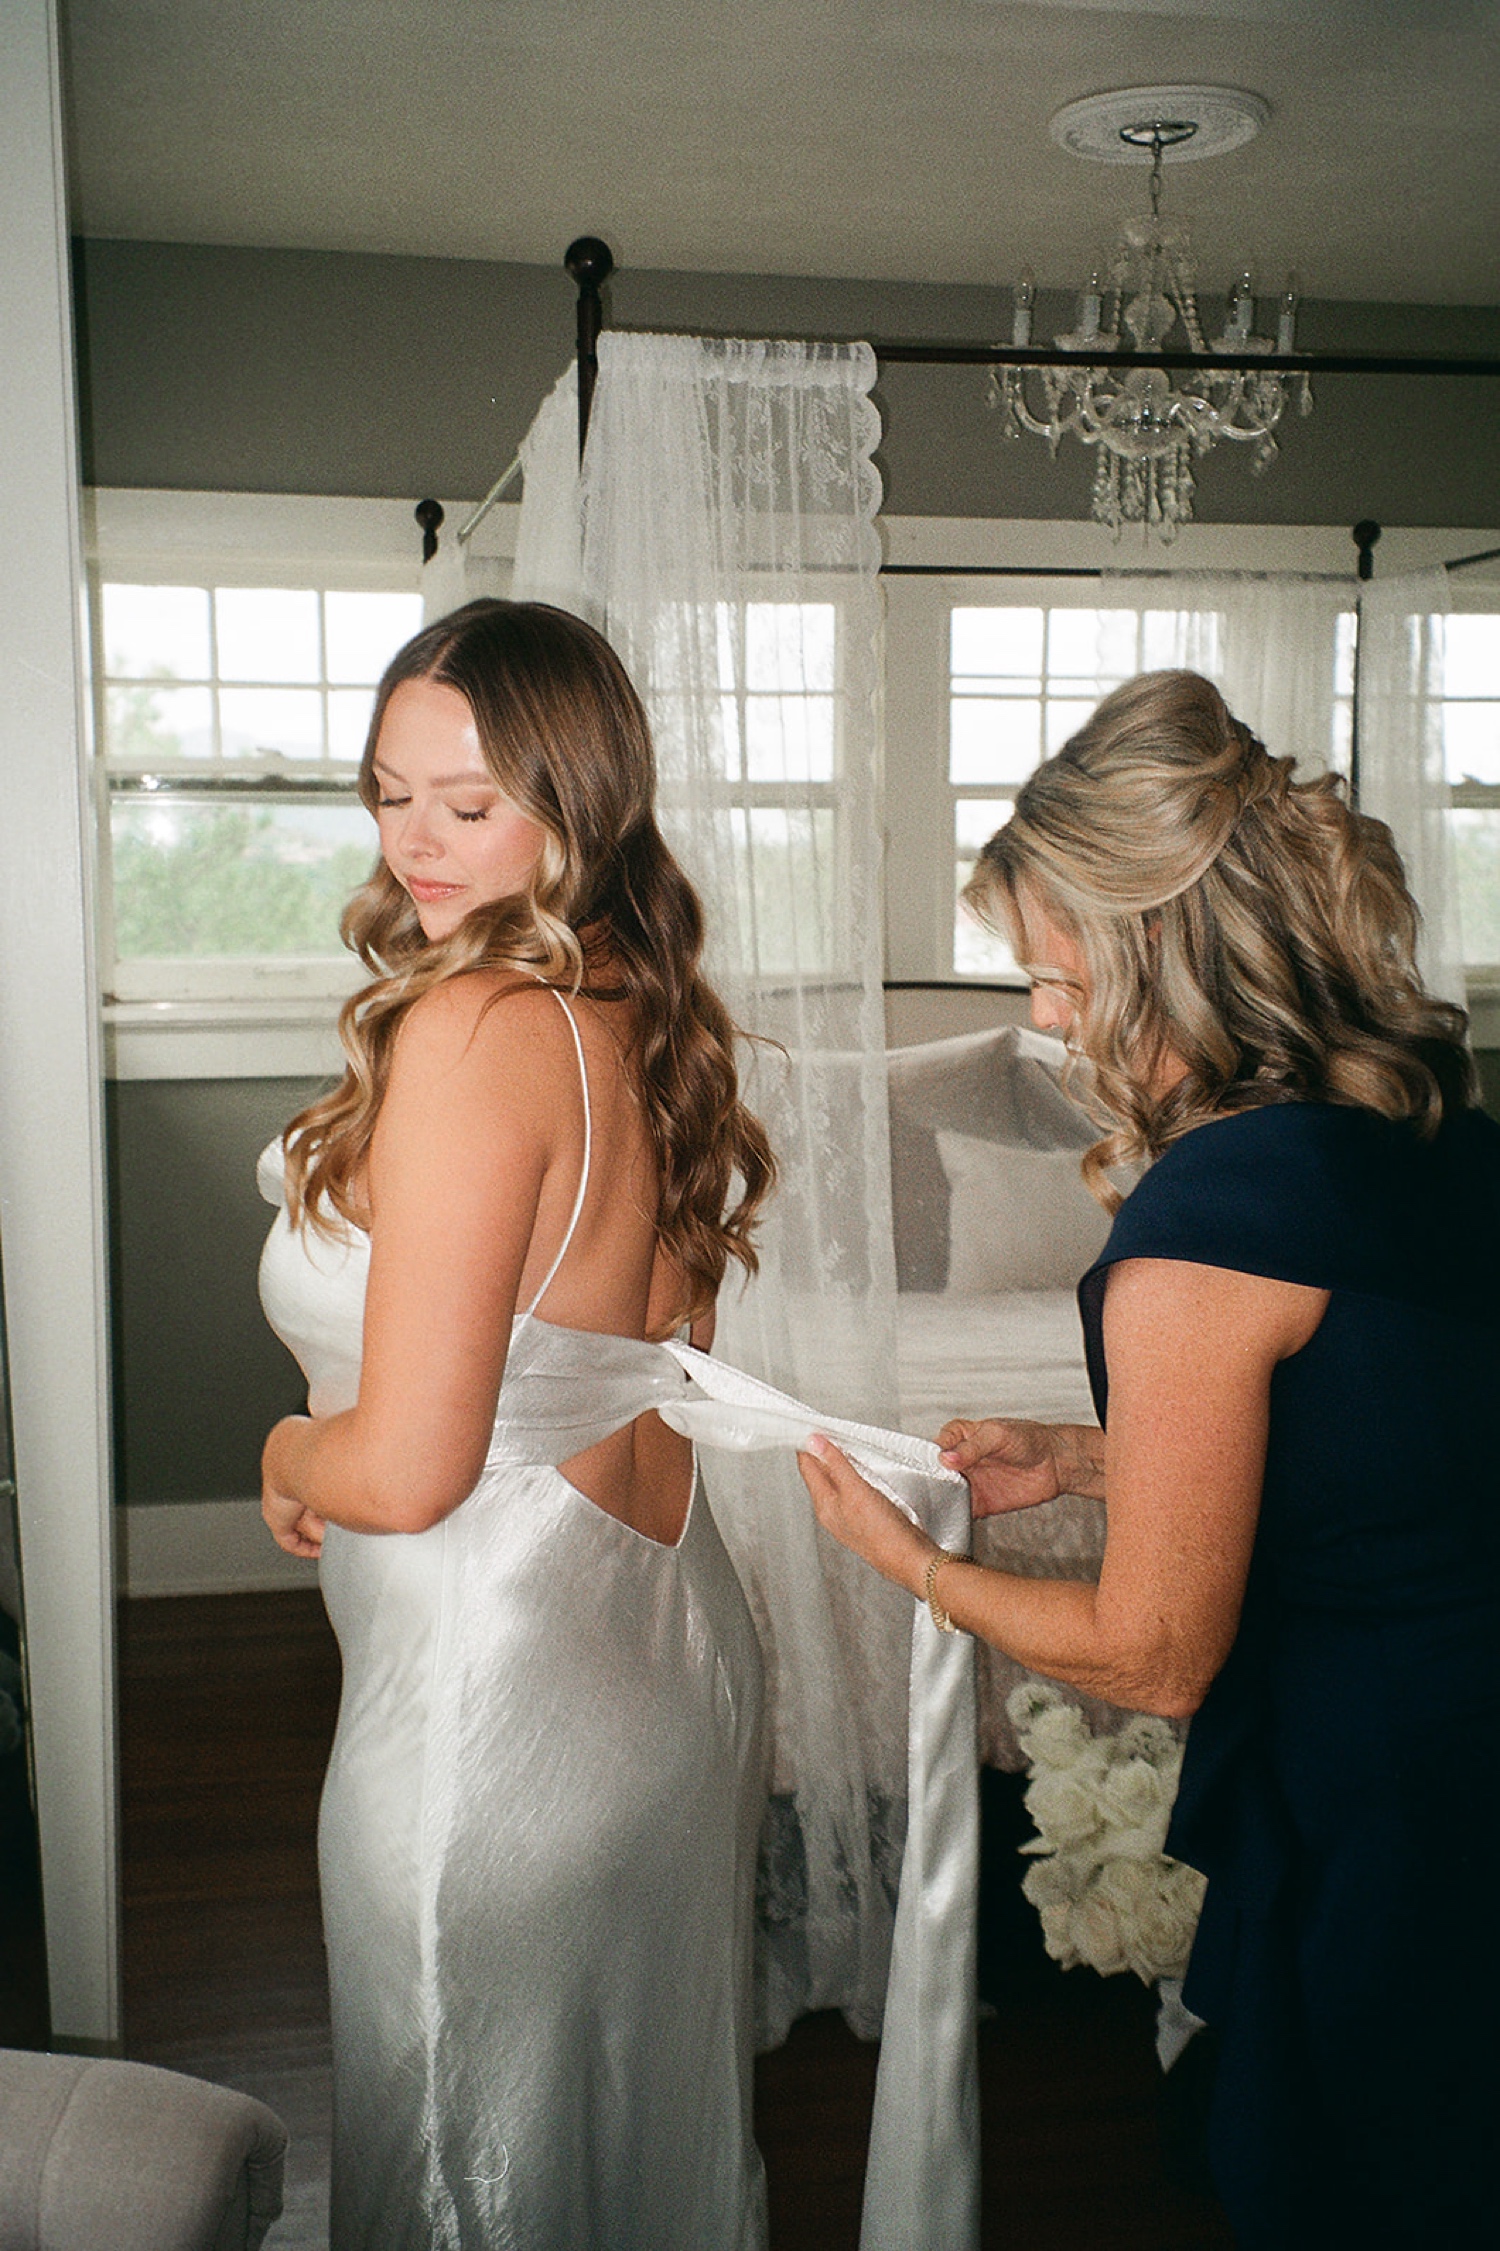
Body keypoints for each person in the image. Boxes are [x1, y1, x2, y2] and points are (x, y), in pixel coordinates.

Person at [798, 669, 1500, 2249]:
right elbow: (1393, 1445)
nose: (1039, 1020)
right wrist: (1091, 1457)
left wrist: (918, 1564)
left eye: (1054, 980)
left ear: (1161, 956)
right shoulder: (1430, 1131)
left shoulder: (1204, 1220)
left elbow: (1158, 1657)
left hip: (1382, 1811)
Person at [257, 598, 774, 2250]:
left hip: (493, 1723)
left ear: (577, 800)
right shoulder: (641, 1008)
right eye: (389, 791)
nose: (415, 839)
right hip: (667, 1661)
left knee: (462, 2183)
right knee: (633, 2160)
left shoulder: (476, 1028)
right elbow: (643, 1361)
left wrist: (285, 1452)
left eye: (467, 803)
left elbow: (406, 1470)